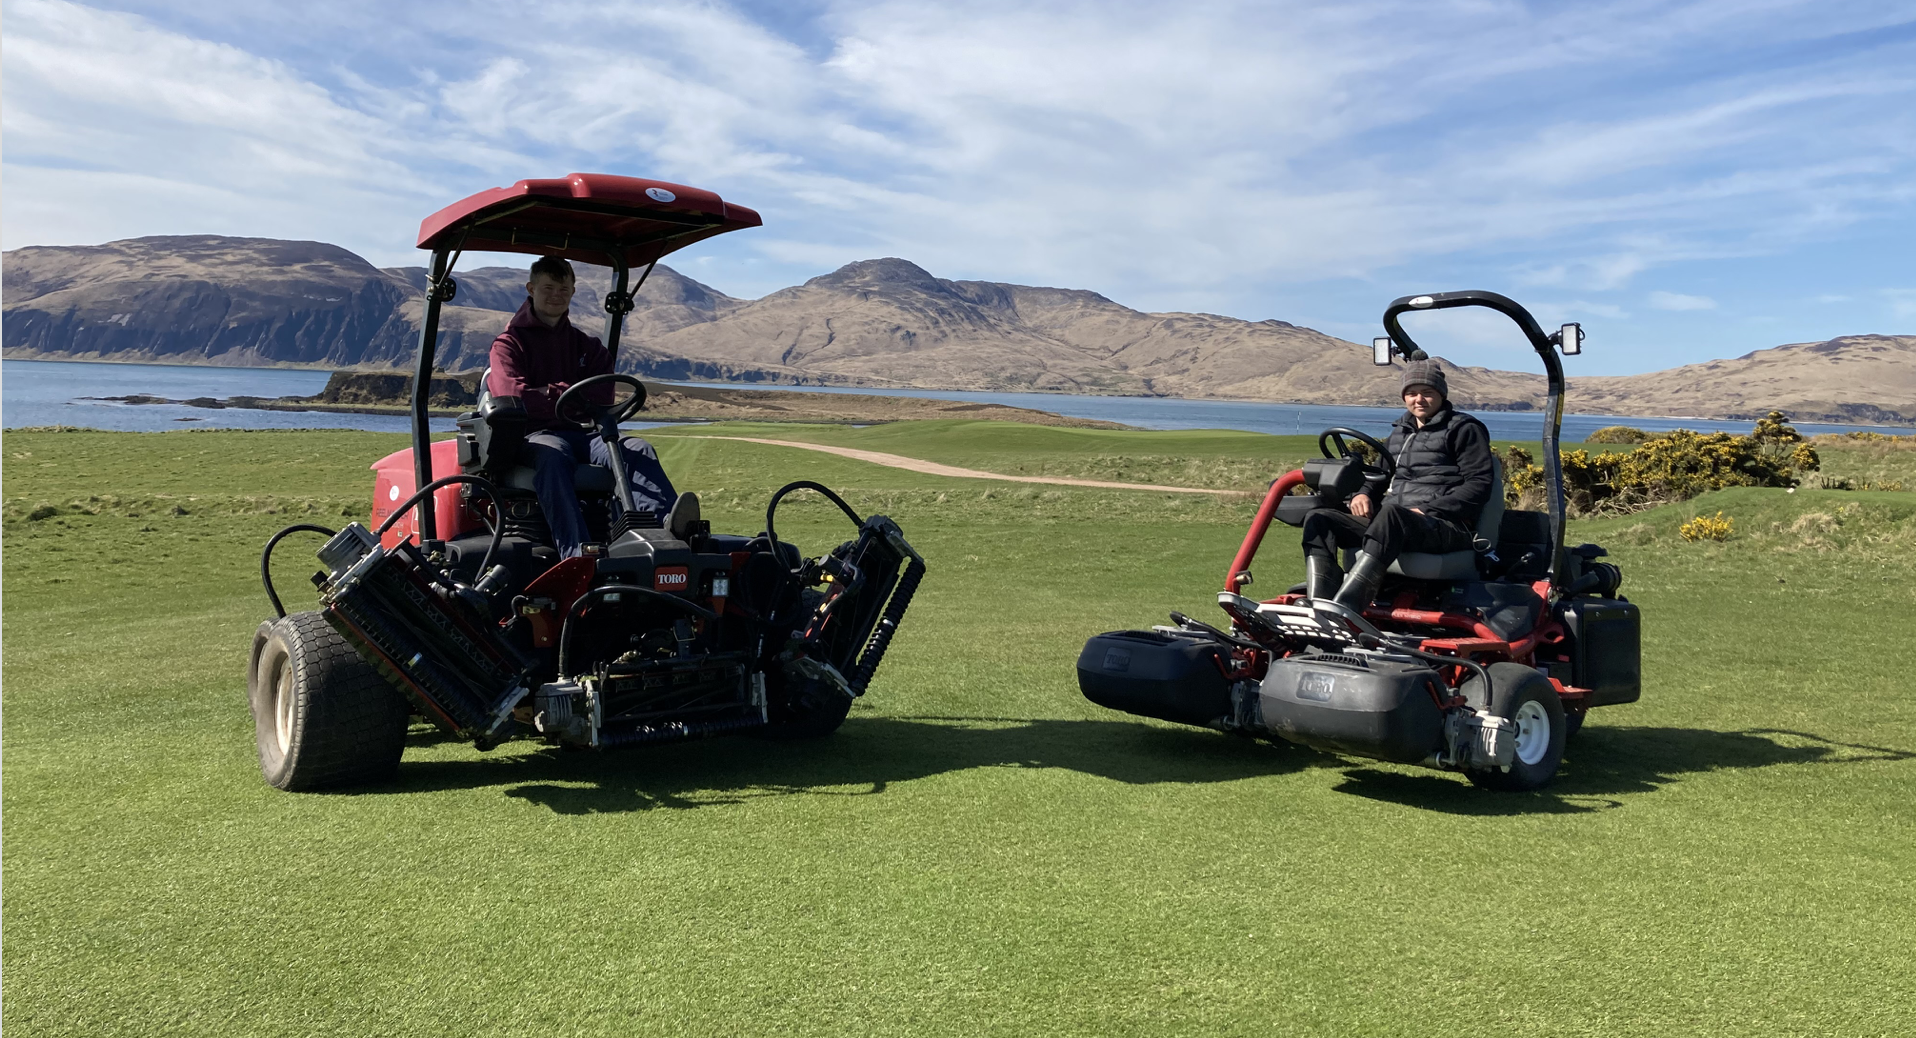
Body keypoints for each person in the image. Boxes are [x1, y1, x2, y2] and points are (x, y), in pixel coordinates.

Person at [486, 255, 678, 557]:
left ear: (573, 292)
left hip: (585, 434)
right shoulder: (509, 344)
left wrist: (550, 394)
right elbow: (515, 395)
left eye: (563, 289)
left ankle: (665, 534)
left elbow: (603, 395)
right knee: (553, 456)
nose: (556, 296)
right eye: (548, 288)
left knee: (637, 448)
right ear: (531, 289)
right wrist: (567, 396)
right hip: (535, 436)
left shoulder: (586, 345)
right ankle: (576, 551)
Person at [1300, 359, 1495, 609]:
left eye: (1427, 393)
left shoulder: (1464, 429)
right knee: (1319, 518)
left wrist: (1428, 510)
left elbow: (1479, 485)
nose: (1419, 400)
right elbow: (1379, 476)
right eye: (1412, 394)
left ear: (1441, 395)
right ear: (1404, 397)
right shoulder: (1399, 433)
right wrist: (1363, 494)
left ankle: (1348, 608)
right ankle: (1319, 603)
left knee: (1391, 515)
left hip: (1445, 525)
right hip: (1395, 524)